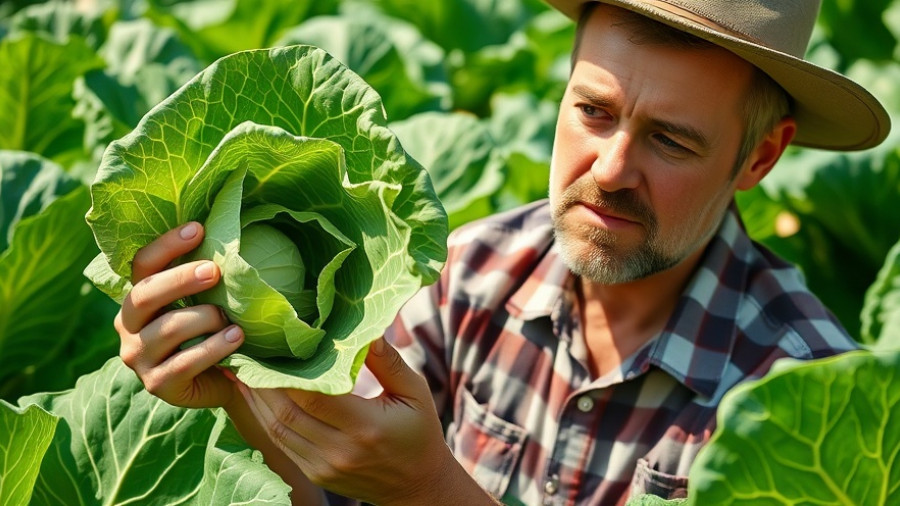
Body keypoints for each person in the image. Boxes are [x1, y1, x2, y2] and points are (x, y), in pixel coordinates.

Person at [114, 0, 891, 504]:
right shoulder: (467, 273)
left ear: (759, 158)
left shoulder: (808, 408)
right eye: (594, 111)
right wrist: (242, 391)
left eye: (671, 141)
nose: (611, 170)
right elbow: (338, 496)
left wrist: (431, 489)